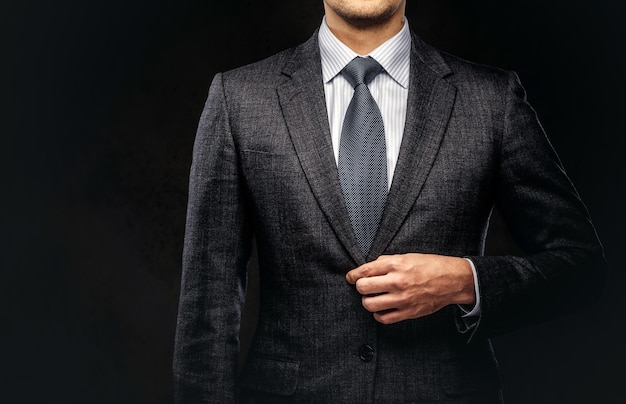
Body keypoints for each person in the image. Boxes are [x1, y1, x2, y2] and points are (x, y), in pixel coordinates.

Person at [173, 1, 606, 402]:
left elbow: (580, 265)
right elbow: (205, 313)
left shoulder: (491, 100)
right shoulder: (240, 98)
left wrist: (464, 281)